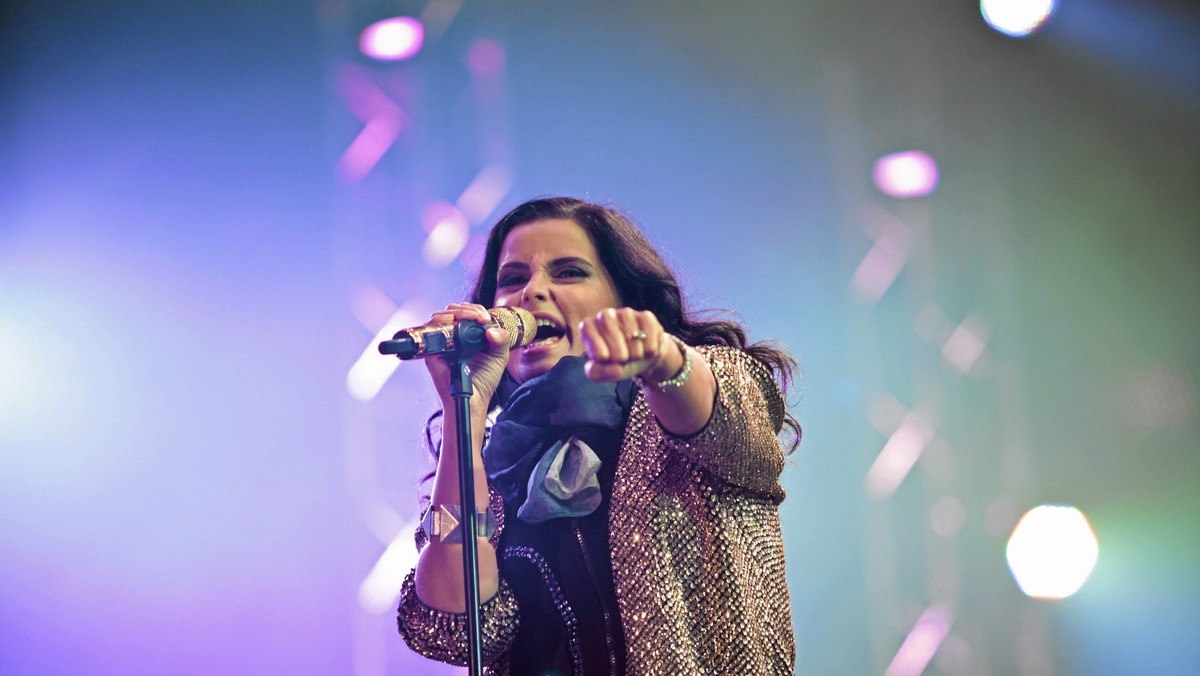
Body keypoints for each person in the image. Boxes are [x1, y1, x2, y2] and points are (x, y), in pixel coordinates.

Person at [396, 196, 800, 675]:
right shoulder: (495, 468)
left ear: (625, 303)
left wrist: (663, 360)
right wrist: (463, 415)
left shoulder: (702, 391)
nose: (532, 292)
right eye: (513, 279)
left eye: (568, 272)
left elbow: (723, 421)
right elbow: (453, 627)